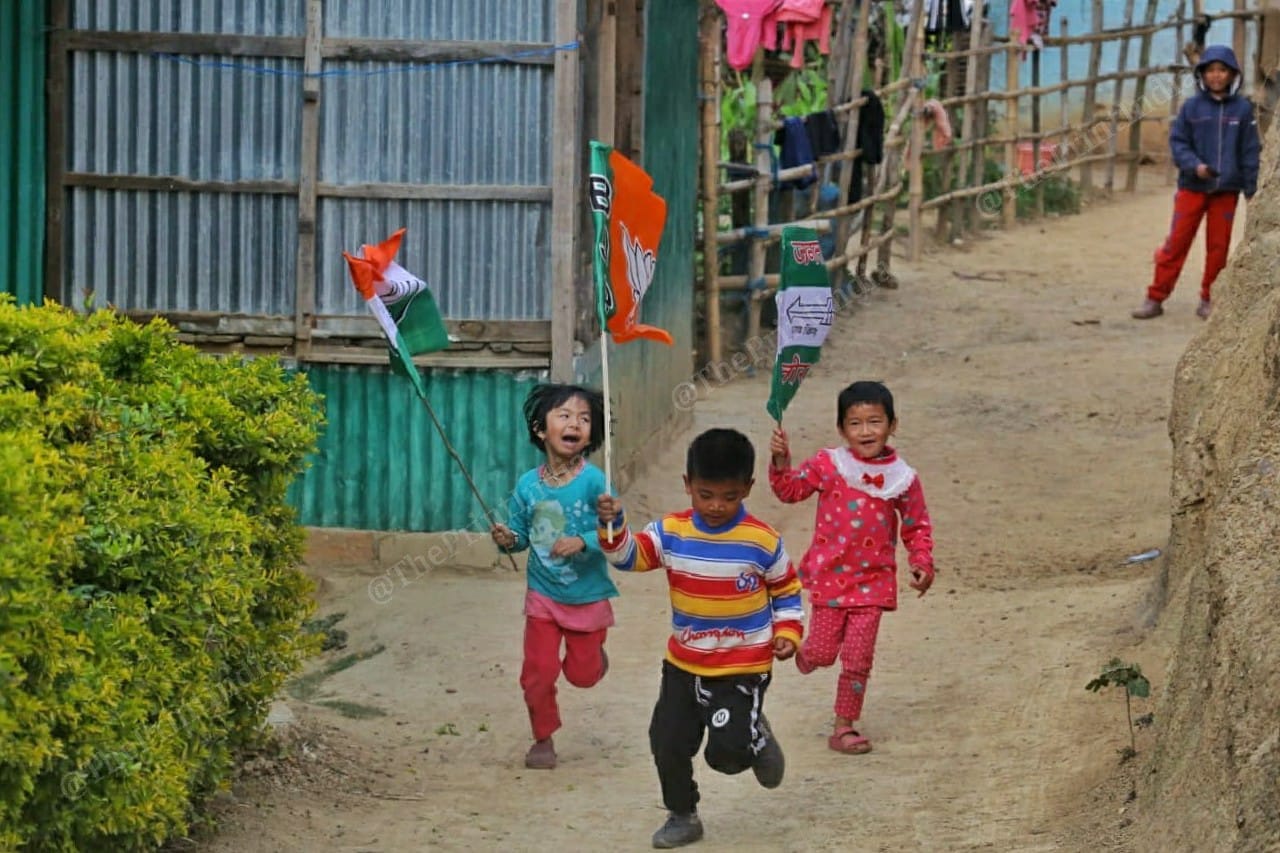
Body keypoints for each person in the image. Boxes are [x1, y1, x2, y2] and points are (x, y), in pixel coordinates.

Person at [595, 428, 803, 849]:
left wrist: (787, 632)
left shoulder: (762, 541)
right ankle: (682, 814)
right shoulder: (671, 531)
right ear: (688, 485)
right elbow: (628, 557)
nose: (716, 506)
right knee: (666, 742)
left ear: (747, 488)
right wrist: (612, 524)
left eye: (729, 496)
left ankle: (754, 735)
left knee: (725, 757)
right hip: (684, 664)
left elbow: (786, 590)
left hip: (742, 667)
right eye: (705, 494)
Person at [769, 380, 934, 755]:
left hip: (873, 585)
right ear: (842, 429)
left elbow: (917, 524)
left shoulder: (903, 478)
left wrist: (922, 562)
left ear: (893, 424)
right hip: (830, 578)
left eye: (875, 421)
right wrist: (781, 462)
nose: (865, 431)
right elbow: (789, 491)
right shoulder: (830, 465)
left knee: (858, 660)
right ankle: (805, 653)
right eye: (855, 424)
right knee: (823, 654)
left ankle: (844, 726)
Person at [490, 383, 615, 770]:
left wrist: (584, 540)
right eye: (564, 415)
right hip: (543, 596)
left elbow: (614, 535)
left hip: (588, 595)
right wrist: (506, 539)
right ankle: (542, 738)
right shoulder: (527, 486)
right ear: (541, 430)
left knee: (583, 676)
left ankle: (593, 659)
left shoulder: (596, 482)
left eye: (584, 418)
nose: (574, 423)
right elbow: (521, 537)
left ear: (591, 433)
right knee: (537, 675)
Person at [1131, 44, 1260, 321]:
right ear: (1202, 74)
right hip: (1192, 187)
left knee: (1218, 248)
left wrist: (1251, 190)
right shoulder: (1191, 108)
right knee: (1176, 243)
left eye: (1222, 70)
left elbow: (1250, 151)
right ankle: (1155, 297)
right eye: (1210, 70)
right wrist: (1195, 166)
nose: (1216, 76)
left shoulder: (1243, 109)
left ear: (1232, 74)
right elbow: (1179, 143)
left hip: (1226, 191)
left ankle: (1209, 299)